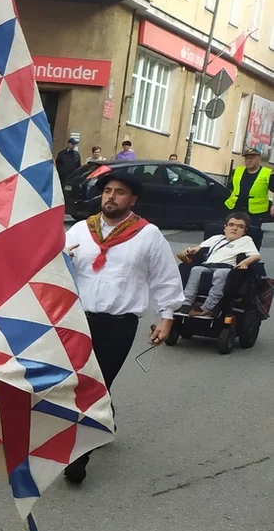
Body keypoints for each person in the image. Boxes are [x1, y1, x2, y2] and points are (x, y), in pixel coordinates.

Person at [63, 169, 184, 485]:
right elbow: (54, 268)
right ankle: (99, 423)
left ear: (132, 200)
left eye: (118, 192)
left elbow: (164, 277)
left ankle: (78, 455)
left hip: (119, 324)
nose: (110, 197)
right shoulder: (79, 230)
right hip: (78, 321)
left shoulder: (148, 235)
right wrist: (61, 258)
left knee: (95, 384)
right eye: (107, 191)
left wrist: (167, 316)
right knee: (80, 384)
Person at [178, 211, 262, 316]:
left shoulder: (246, 240)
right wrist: (190, 251)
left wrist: (246, 261)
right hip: (208, 265)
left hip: (226, 268)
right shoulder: (216, 238)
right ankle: (186, 303)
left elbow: (256, 256)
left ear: (245, 231)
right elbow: (197, 249)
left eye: (240, 227)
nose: (234, 228)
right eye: (231, 225)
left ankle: (208, 307)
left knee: (220, 274)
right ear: (225, 227)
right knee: (196, 270)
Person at [225, 148, 272, 228]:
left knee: (253, 234)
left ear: (259, 159)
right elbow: (230, 187)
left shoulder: (268, 173)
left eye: (252, 158)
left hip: (256, 212)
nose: (249, 160)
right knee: (234, 233)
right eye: (247, 158)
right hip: (235, 208)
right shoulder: (238, 171)